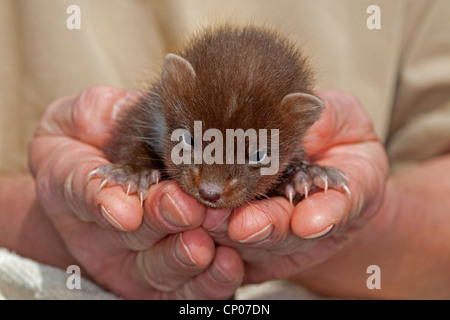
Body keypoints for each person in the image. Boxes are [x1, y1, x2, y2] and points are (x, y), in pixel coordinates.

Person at [1, 0, 450, 299]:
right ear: (171, 92)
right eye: (192, 143)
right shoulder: (148, 121)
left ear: (300, 127)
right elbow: (134, 148)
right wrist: (41, 218)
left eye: (255, 157)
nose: (210, 186)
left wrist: (351, 220)